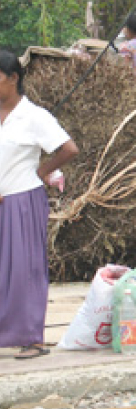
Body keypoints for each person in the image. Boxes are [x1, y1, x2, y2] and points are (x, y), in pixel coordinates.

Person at [0, 51, 79, 359]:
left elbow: (68, 148)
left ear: (13, 78)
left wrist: (42, 172)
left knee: (25, 268)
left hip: (23, 199)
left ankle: (32, 338)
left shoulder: (33, 116)